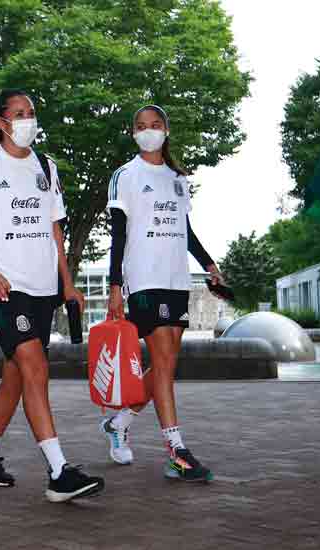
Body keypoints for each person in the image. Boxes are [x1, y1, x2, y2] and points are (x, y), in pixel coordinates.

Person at [0, 89, 104, 502]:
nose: (28, 120)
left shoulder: (47, 166)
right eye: (19, 114)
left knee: (17, 375)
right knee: (36, 369)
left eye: (32, 113)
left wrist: (68, 283)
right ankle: (59, 472)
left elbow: (56, 231)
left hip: (44, 289)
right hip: (9, 290)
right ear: (2, 123)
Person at [101, 104, 223, 482]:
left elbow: (184, 230)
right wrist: (115, 286)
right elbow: (118, 234)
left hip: (175, 279)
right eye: (141, 126)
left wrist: (209, 264)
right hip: (144, 278)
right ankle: (176, 451)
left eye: (155, 125)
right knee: (165, 361)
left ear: (166, 130)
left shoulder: (177, 178)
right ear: (133, 132)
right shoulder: (125, 176)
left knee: (166, 364)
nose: (148, 131)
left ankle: (120, 421)